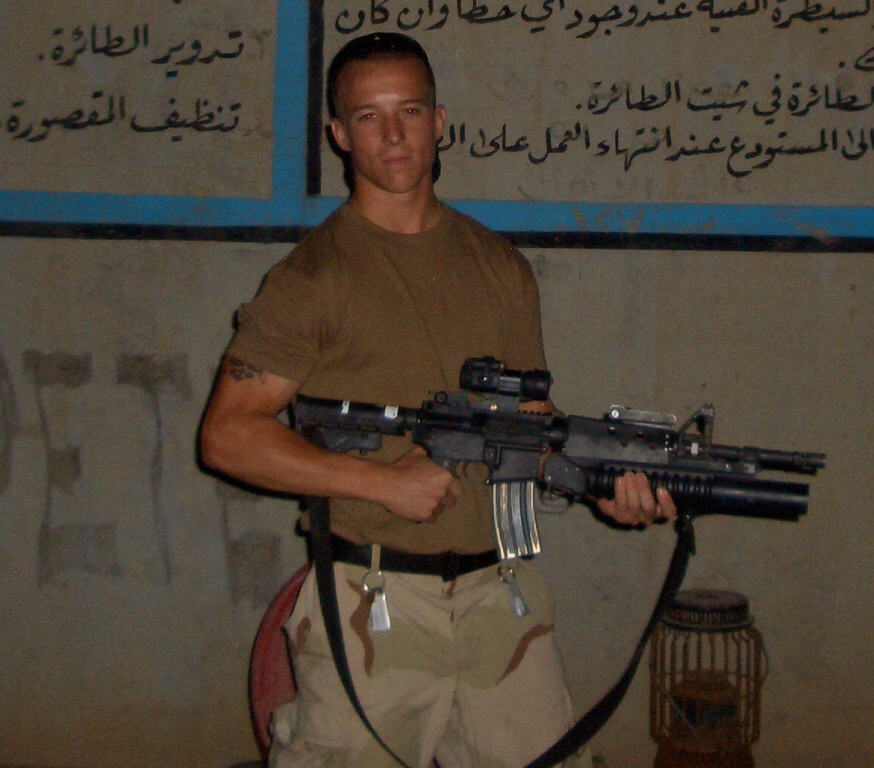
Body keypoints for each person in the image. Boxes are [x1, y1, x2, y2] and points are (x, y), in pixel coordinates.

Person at [200, 32, 676, 768]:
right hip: (373, 600)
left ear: (441, 121)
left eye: (411, 111)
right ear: (338, 134)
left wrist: (603, 480)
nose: (393, 134)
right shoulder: (312, 278)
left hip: (501, 599)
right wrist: (380, 483)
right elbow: (227, 436)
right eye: (369, 116)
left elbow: (528, 423)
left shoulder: (498, 264)